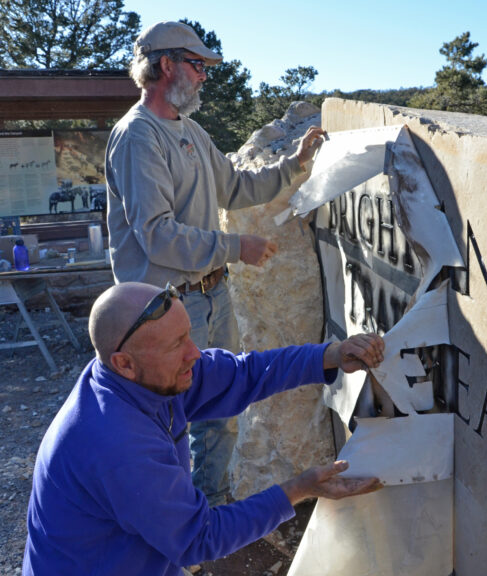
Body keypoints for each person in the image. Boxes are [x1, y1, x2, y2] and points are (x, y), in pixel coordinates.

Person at [105, 20, 326, 506]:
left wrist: (296, 163)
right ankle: (177, 525)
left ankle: (214, 511)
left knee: (221, 411)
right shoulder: (138, 137)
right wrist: (233, 247)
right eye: (198, 65)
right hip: (164, 312)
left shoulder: (191, 131)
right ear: (166, 66)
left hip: (211, 297)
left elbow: (237, 188)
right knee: (171, 423)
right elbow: (157, 236)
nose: (205, 76)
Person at [23, 282, 384, 575]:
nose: (194, 353)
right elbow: (200, 537)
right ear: (125, 363)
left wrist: (329, 355)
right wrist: (298, 489)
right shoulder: (116, 444)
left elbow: (244, 374)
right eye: (177, 344)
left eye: (188, 335)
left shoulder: (144, 377)